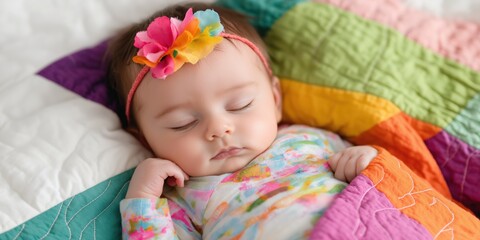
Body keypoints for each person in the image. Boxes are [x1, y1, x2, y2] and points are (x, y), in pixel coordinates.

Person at [105, 3, 378, 239]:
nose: (219, 129)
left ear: (275, 99)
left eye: (241, 105)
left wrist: (365, 160)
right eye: (183, 123)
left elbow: (382, 181)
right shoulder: (183, 200)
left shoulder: (312, 138)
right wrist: (143, 200)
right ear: (144, 139)